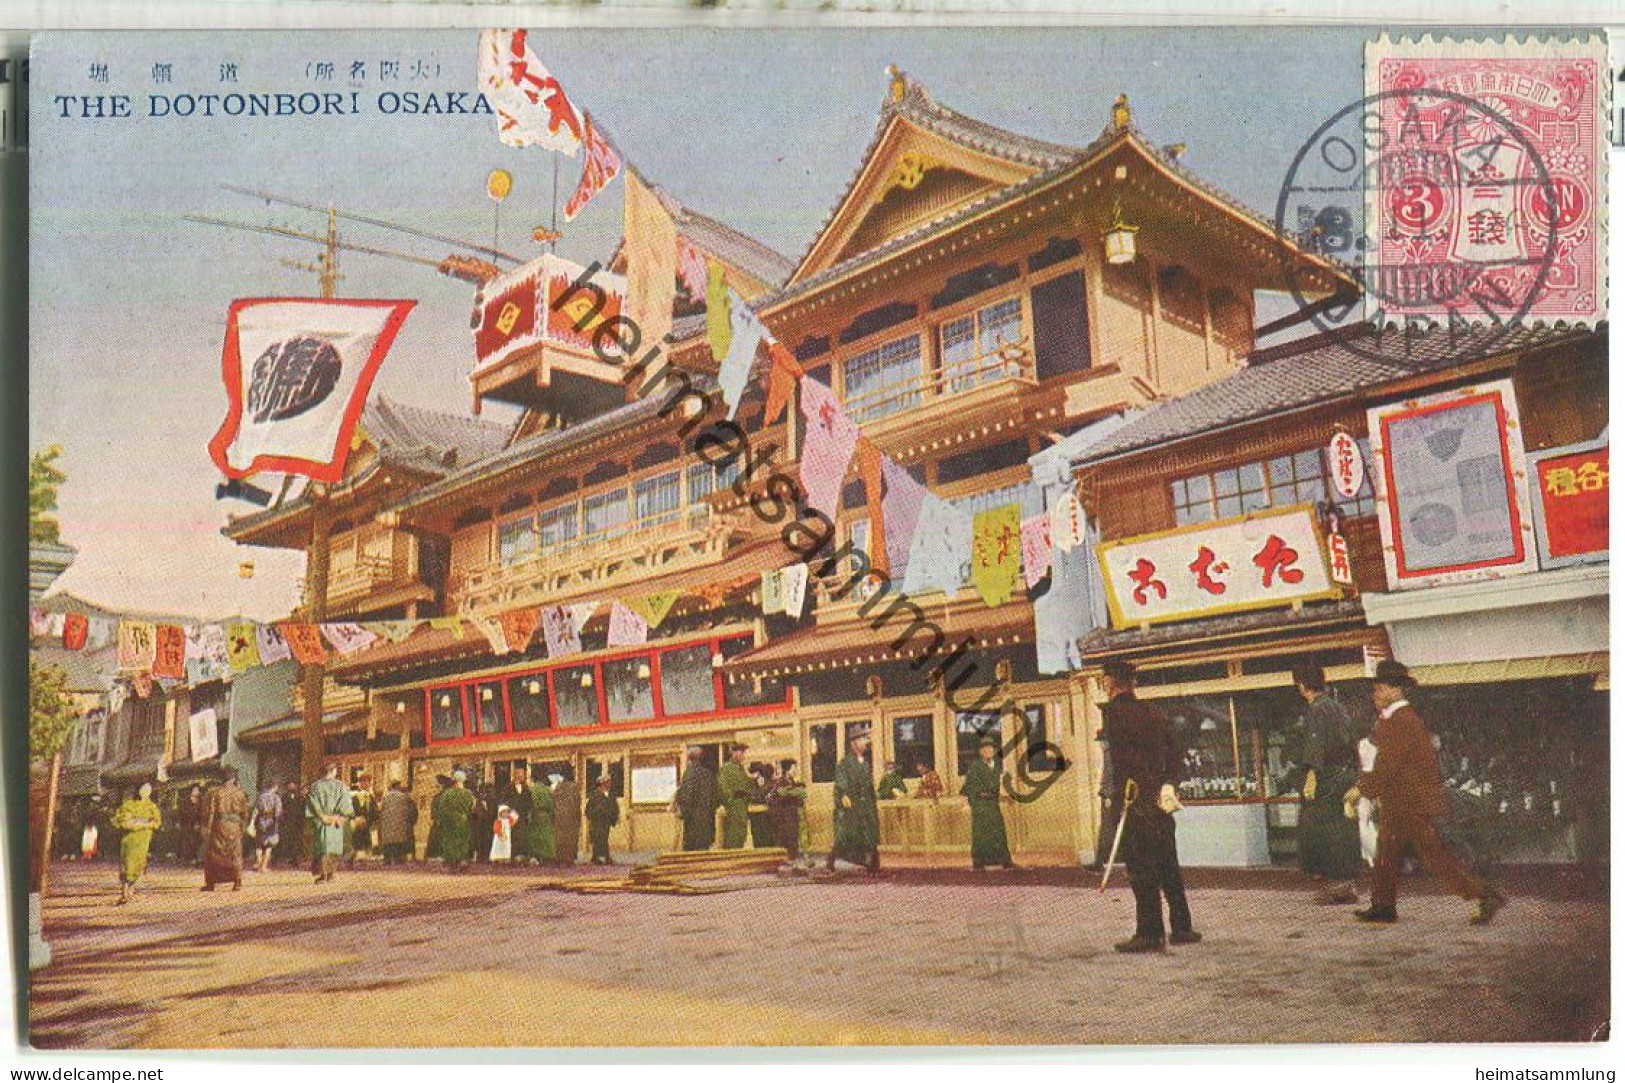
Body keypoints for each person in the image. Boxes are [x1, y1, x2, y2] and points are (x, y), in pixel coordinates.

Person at [1350, 660, 1505, 926]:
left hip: (1408, 801)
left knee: (1432, 855)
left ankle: (1483, 893)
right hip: (1402, 799)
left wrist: (1361, 789)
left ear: (1391, 689)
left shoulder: (1400, 720)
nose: (1374, 694)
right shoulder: (1395, 719)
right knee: (1387, 851)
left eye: (1377, 689)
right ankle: (1383, 905)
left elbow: (1388, 763)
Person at [1101, 660, 1198, 953]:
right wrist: (1167, 784)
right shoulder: (1155, 713)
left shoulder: (1115, 714)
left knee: (1141, 868)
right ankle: (1182, 927)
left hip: (1135, 800)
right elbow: (1174, 754)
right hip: (1159, 800)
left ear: (1110, 682)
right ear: (1133, 682)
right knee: (1168, 863)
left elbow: (1123, 760)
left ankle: (1150, 932)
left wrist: (1124, 794)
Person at [1288, 662, 1362, 904]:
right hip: (1346, 775)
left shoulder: (1316, 709)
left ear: (1301, 686)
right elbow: (1353, 744)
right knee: (1343, 829)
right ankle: (1347, 885)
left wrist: (1311, 776)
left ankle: (1333, 886)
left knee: (1319, 829)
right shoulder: (1339, 708)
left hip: (1326, 776)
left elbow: (1315, 742)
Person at [961, 736, 1016, 870]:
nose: (988, 751)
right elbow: (968, 787)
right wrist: (966, 803)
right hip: (980, 805)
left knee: (999, 832)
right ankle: (978, 863)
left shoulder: (996, 766)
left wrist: (1004, 797)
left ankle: (1005, 861)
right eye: (985, 749)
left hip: (992, 805)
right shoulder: (975, 767)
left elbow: (994, 789)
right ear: (981, 752)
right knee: (980, 834)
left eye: (991, 749)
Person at [829, 730, 880, 873]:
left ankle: (872, 865)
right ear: (854, 743)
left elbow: (869, 784)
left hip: (866, 804)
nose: (866, 743)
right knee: (846, 836)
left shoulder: (865, 763)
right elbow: (841, 782)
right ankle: (832, 862)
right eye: (863, 739)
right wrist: (844, 795)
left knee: (869, 834)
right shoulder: (845, 763)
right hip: (852, 804)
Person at [112, 782, 161, 905]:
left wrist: (144, 824)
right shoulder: (129, 805)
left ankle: (131, 890)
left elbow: (156, 821)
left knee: (139, 866)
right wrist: (136, 824)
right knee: (127, 865)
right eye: (143, 789)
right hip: (130, 840)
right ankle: (124, 892)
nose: (145, 792)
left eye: (148, 790)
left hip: (143, 840)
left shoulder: (152, 806)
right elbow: (123, 821)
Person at [201, 768, 250, 892]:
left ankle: (211, 883)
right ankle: (237, 882)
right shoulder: (240, 793)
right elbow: (245, 813)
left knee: (213, 854)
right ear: (233, 779)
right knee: (235, 853)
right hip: (235, 826)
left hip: (219, 826)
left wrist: (207, 828)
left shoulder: (215, 793)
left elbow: (210, 812)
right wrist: (242, 826)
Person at [306, 763, 354, 884]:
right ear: (333, 771)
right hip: (335, 821)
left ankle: (322, 875)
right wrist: (338, 816)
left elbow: (312, 804)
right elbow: (346, 804)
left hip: (321, 821)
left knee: (322, 848)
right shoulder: (341, 786)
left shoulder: (315, 786)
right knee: (334, 847)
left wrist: (322, 816)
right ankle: (332, 874)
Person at [673, 746, 719, 851]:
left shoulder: (690, 772)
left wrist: (681, 811)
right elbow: (715, 799)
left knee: (691, 855)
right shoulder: (709, 775)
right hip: (707, 824)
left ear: (689, 759)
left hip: (693, 825)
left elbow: (687, 796)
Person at [433, 770, 477, 871]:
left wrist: (443, 821)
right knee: (462, 842)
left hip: (449, 823)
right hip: (463, 822)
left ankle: (451, 864)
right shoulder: (468, 794)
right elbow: (472, 809)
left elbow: (442, 809)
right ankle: (461, 861)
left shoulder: (447, 793)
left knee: (450, 842)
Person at [767, 759, 807, 860]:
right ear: (788, 769)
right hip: (784, 817)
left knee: (793, 841)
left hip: (792, 815)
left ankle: (793, 862)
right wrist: (793, 793)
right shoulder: (781, 782)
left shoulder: (792, 782)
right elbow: (772, 797)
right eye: (794, 768)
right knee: (786, 843)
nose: (795, 770)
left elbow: (801, 796)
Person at [716, 744, 753, 850]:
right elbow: (723, 789)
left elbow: (747, 786)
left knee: (741, 836)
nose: (742, 756)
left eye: (743, 753)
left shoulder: (741, 769)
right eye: (740, 752)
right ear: (733, 753)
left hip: (742, 808)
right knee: (733, 839)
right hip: (733, 809)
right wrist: (732, 798)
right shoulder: (726, 768)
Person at [378, 781, 417, 864]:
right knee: (399, 842)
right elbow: (411, 809)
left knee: (388, 842)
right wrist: (411, 821)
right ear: (397, 787)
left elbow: (381, 810)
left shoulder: (385, 797)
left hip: (387, 824)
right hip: (401, 824)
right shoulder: (404, 797)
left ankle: (387, 859)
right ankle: (398, 859)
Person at [585, 775, 620, 865]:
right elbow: (588, 809)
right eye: (608, 782)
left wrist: (615, 817)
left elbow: (615, 807)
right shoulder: (594, 795)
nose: (610, 784)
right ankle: (601, 857)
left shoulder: (611, 795)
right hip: (597, 821)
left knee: (604, 838)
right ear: (602, 784)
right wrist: (593, 816)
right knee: (598, 838)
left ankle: (598, 857)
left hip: (606, 821)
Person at [251, 781, 283, 874]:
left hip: (261, 821)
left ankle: (258, 862)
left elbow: (255, 810)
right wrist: (277, 822)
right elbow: (278, 813)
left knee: (259, 844)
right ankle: (264, 867)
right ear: (275, 787)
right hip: (271, 823)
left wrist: (252, 822)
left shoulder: (261, 797)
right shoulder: (276, 798)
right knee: (269, 845)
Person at [552, 772, 582, 866]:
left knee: (559, 839)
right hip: (572, 817)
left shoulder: (558, 787)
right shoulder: (574, 787)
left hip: (559, 817)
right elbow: (577, 803)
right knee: (571, 839)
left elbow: (553, 801)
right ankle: (569, 859)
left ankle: (559, 858)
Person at [528, 770, 556, 864]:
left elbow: (532, 803)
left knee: (535, 836)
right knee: (546, 835)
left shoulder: (533, 789)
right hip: (546, 815)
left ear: (533, 779)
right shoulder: (548, 789)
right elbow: (551, 804)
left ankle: (537, 856)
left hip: (536, 814)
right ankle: (547, 856)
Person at [505, 775, 534, 864]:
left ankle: (521, 855)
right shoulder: (508, 789)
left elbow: (529, 802)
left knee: (522, 835)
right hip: (512, 815)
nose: (519, 779)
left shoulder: (526, 789)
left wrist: (527, 812)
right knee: (513, 835)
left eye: (521, 777)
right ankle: (513, 855)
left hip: (522, 815)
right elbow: (505, 801)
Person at [747, 763, 776, 847]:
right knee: (757, 838)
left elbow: (766, 797)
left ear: (759, 773)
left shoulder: (769, 784)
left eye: (754, 773)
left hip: (766, 816)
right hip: (755, 816)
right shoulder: (752, 783)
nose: (752, 775)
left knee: (766, 839)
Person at [178, 784, 204, 864]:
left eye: (197, 790)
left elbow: (202, 813)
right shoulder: (185, 800)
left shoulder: (201, 801)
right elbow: (181, 812)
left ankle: (194, 857)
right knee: (186, 841)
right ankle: (184, 858)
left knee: (195, 841)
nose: (196, 792)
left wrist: (199, 823)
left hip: (196, 824)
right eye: (194, 790)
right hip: (186, 823)